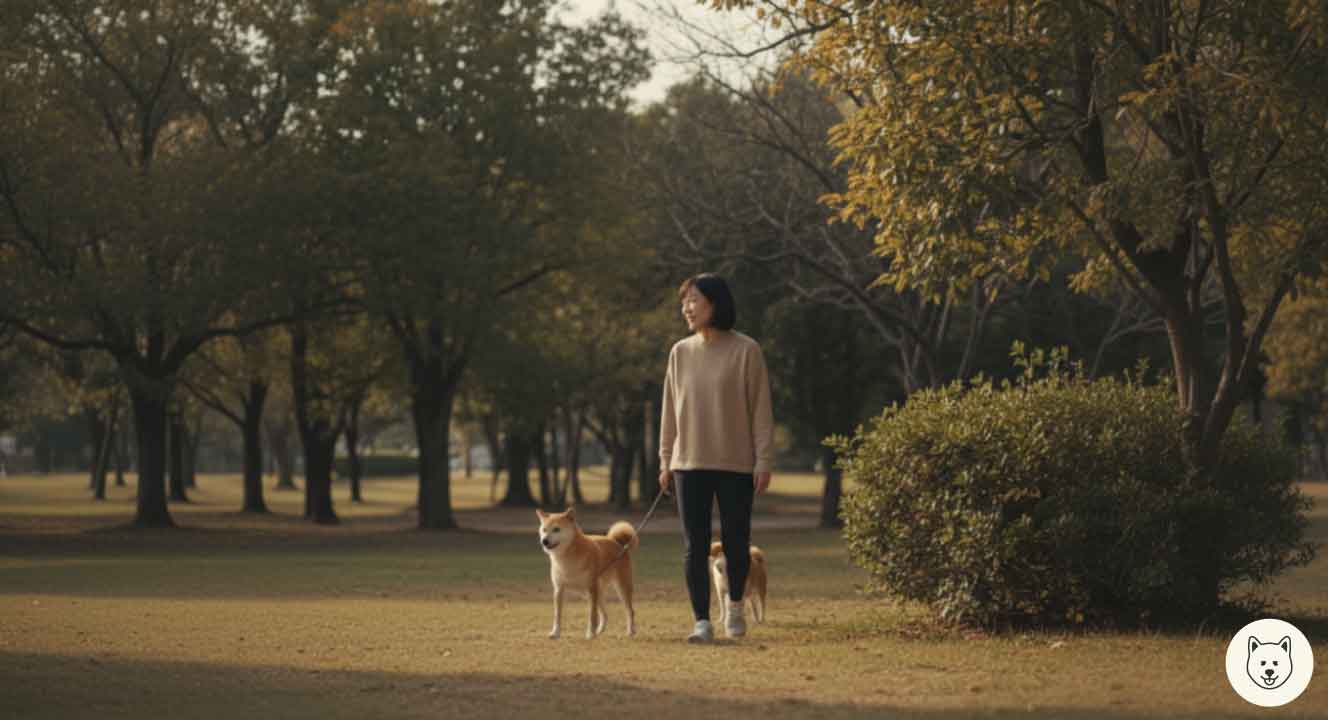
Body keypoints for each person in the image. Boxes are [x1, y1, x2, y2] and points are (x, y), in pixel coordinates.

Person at [658, 273, 774, 643]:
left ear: (716, 304)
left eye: (694, 300)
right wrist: (665, 460)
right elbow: (669, 412)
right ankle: (701, 622)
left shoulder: (746, 350)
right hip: (688, 464)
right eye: (684, 301)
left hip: (736, 463)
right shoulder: (680, 352)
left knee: (737, 541)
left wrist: (764, 459)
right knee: (695, 546)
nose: (687, 308)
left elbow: (760, 410)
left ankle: (736, 606)